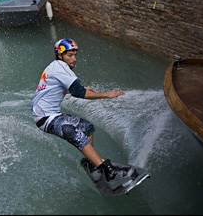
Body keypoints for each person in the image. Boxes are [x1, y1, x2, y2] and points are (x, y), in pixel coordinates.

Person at [31, 38, 134, 189]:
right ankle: (107, 171)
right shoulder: (60, 68)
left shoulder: (57, 66)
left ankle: (91, 163)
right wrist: (106, 94)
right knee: (76, 134)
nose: (74, 59)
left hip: (53, 114)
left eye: (75, 54)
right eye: (69, 55)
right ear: (60, 56)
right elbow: (78, 93)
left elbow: (68, 87)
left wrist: (84, 88)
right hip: (45, 118)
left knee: (87, 128)